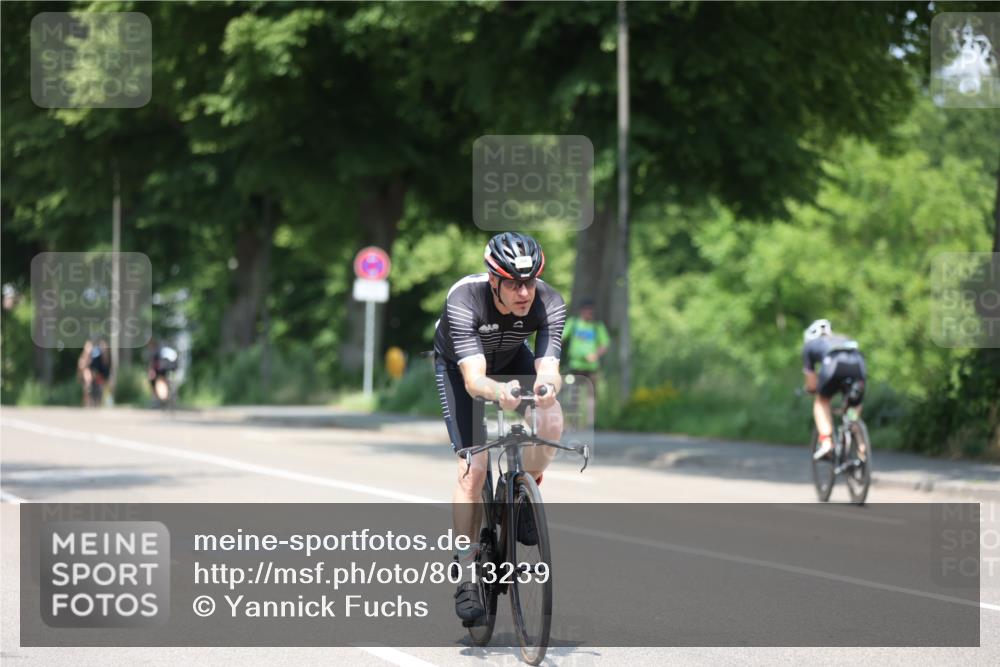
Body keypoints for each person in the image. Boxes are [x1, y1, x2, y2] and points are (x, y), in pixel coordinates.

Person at [432, 231, 566, 625]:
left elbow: (549, 368)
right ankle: (466, 572)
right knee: (473, 470)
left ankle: (522, 492)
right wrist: (498, 392)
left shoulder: (550, 301)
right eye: (513, 283)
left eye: (530, 282)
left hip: (511, 359)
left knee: (552, 417)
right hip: (461, 369)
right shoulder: (464, 299)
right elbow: (474, 380)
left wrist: (546, 390)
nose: (524, 292)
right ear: (493, 280)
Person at [801, 319, 867, 460]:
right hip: (858, 366)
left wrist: (811, 390)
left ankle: (826, 442)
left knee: (821, 401)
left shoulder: (809, 345)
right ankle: (861, 445)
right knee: (853, 404)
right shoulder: (843, 337)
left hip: (834, 365)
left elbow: (811, 382)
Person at [561, 297, 609, 427]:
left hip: (591, 367)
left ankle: (590, 423)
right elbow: (561, 337)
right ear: (582, 310)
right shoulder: (574, 323)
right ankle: (573, 421)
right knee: (573, 394)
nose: (590, 313)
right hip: (575, 366)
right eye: (588, 310)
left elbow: (604, 344)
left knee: (591, 395)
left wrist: (596, 355)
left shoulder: (597, 326)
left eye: (592, 311)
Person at [78, 339, 111, 407]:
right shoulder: (83, 360)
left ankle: (97, 403)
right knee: (88, 388)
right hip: (90, 379)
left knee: (99, 390)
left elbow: (100, 370)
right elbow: (81, 370)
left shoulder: (98, 358)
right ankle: (87, 403)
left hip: (98, 378)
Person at [147, 338, 179, 406]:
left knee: (156, 380)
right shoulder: (169, 349)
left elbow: (153, 362)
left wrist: (152, 371)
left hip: (162, 368)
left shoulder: (156, 350)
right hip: (173, 366)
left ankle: (160, 397)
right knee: (167, 379)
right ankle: (170, 394)